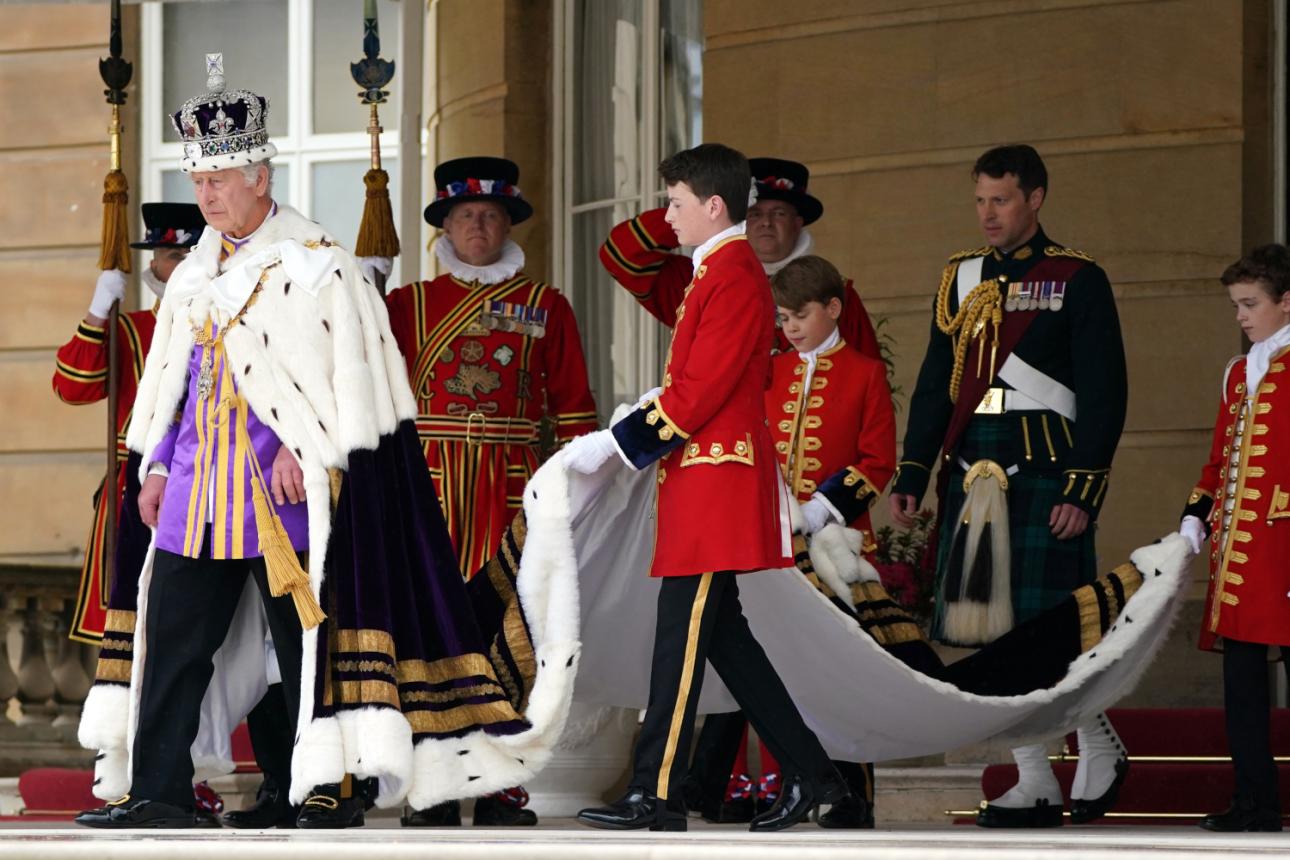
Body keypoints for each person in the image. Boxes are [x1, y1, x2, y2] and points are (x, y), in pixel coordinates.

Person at [76, 56, 574, 831]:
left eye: (222, 179)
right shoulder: (190, 278)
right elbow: (173, 385)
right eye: (199, 180)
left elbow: (352, 386)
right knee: (172, 649)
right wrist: (158, 464)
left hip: (284, 497)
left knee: (307, 654)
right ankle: (159, 792)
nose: (207, 195)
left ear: (261, 179)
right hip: (195, 495)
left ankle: (325, 790)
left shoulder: (319, 267)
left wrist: (296, 447)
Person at [565, 142, 852, 833]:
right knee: (726, 642)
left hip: (717, 481)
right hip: (702, 481)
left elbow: (698, 393)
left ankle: (655, 792)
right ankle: (818, 779)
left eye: (676, 203)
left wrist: (619, 443)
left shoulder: (731, 275)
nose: (667, 218)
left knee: (680, 639)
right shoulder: (716, 271)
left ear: (713, 206)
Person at [888, 144, 1129, 828]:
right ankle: (1032, 777)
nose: (988, 214)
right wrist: (913, 470)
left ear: (1035, 199)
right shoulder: (958, 279)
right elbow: (938, 385)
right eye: (980, 200)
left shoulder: (1077, 278)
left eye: (1001, 199)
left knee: (1051, 626)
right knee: (991, 630)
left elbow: (1104, 391)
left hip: (1047, 466)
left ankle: (1098, 739)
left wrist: (1082, 488)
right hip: (972, 467)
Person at [374, 156, 597, 827]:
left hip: (511, 492)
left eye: (492, 215)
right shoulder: (406, 304)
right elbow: (374, 404)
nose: (480, 226)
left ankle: (498, 782)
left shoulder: (545, 305)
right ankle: (434, 783)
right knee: (431, 636)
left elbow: (576, 409)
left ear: (508, 223)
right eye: (467, 215)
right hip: (431, 492)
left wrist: (572, 498)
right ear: (445, 224)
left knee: (508, 637)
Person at [54, 202, 205, 645]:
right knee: (131, 632)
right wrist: (99, 310)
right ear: (154, 263)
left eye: (195, 254)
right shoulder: (130, 331)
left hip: (213, 484)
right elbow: (71, 386)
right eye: (175, 256)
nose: (184, 266)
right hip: (135, 492)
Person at [1180, 244, 1290, 833]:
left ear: (1287, 302)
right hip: (1242, 557)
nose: (1242, 316)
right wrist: (1196, 514)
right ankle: (1256, 800)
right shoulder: (1239, 372)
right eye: (1236, 305)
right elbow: (1219, 459)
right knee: (1242, 686)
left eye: (1251, 304)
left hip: (1286, 554)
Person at [599, 157, 881, 358]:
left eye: (779, 213)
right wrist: (700, 213)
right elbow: (621, 254)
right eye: (754, 213)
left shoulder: (835, 293)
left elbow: (867, 388)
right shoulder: (699, 281)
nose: (766, 223)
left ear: (798, 224)